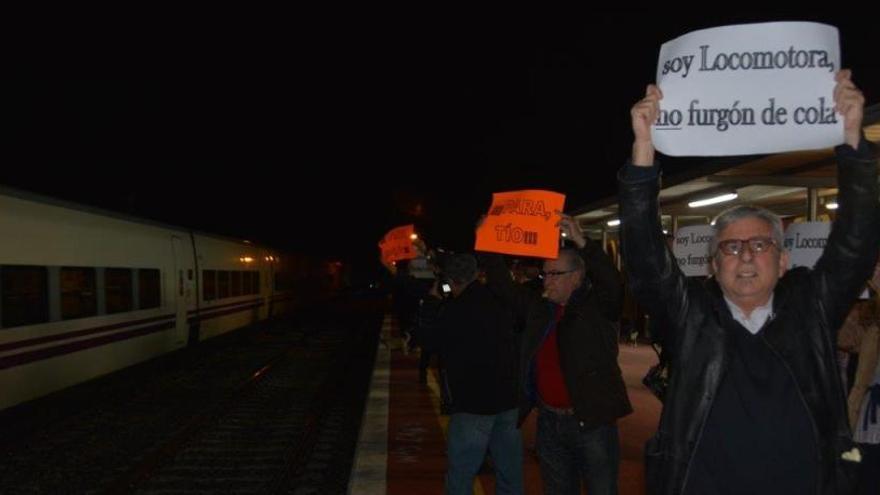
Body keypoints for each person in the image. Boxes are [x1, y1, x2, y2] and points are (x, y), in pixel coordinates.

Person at [618, 70, 880, 494]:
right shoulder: (693, 316)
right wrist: (643, 151)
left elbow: (855, 245)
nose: (744, 256)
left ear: (783, 261)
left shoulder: (809, 308)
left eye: (759, 245)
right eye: (730, 248)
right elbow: (647, 262)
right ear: (712, 264)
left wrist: (852, 139)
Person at [482, 213, 632, 495]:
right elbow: (504, 288)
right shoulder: (540, 309)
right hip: (550, 422)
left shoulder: (597, 309)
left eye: (554, 274)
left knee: (602, 489)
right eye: (544, 273)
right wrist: (488, 246)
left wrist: (583, 242)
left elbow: (612, 283)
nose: (546, 281)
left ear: (576, 277)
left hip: (591, 422)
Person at [418, 253, 523, 495]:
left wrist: (432, 302)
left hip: (472, 404)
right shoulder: (500, 301)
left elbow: (427, 340)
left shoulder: (453, 311)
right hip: (508, 401)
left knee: (461, 475)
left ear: (450, 280)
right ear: (476, 274)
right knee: (510, 475)